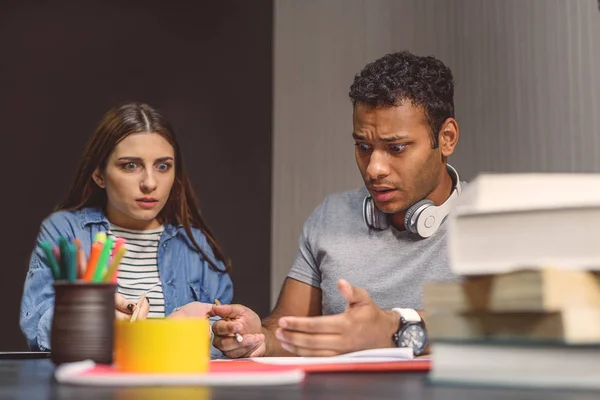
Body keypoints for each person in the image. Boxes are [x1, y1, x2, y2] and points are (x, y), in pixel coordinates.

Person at [210, 51, 461, 358]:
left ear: (446, 138)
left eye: (396, 148)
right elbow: (286, 328)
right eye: (364, 147)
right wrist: (258, 338)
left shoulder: (495, 221)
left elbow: (510, 323)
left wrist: (392, 329)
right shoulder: (331, 217)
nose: (374, 168)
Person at [20, 103, 232, 354]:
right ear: (99, 174)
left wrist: (212, 332)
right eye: (130, 165)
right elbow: (35, 325)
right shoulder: (65, 230)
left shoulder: (195, 245)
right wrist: (89, 320)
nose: (150, 183)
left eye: (163, 166)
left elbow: (226, 339)